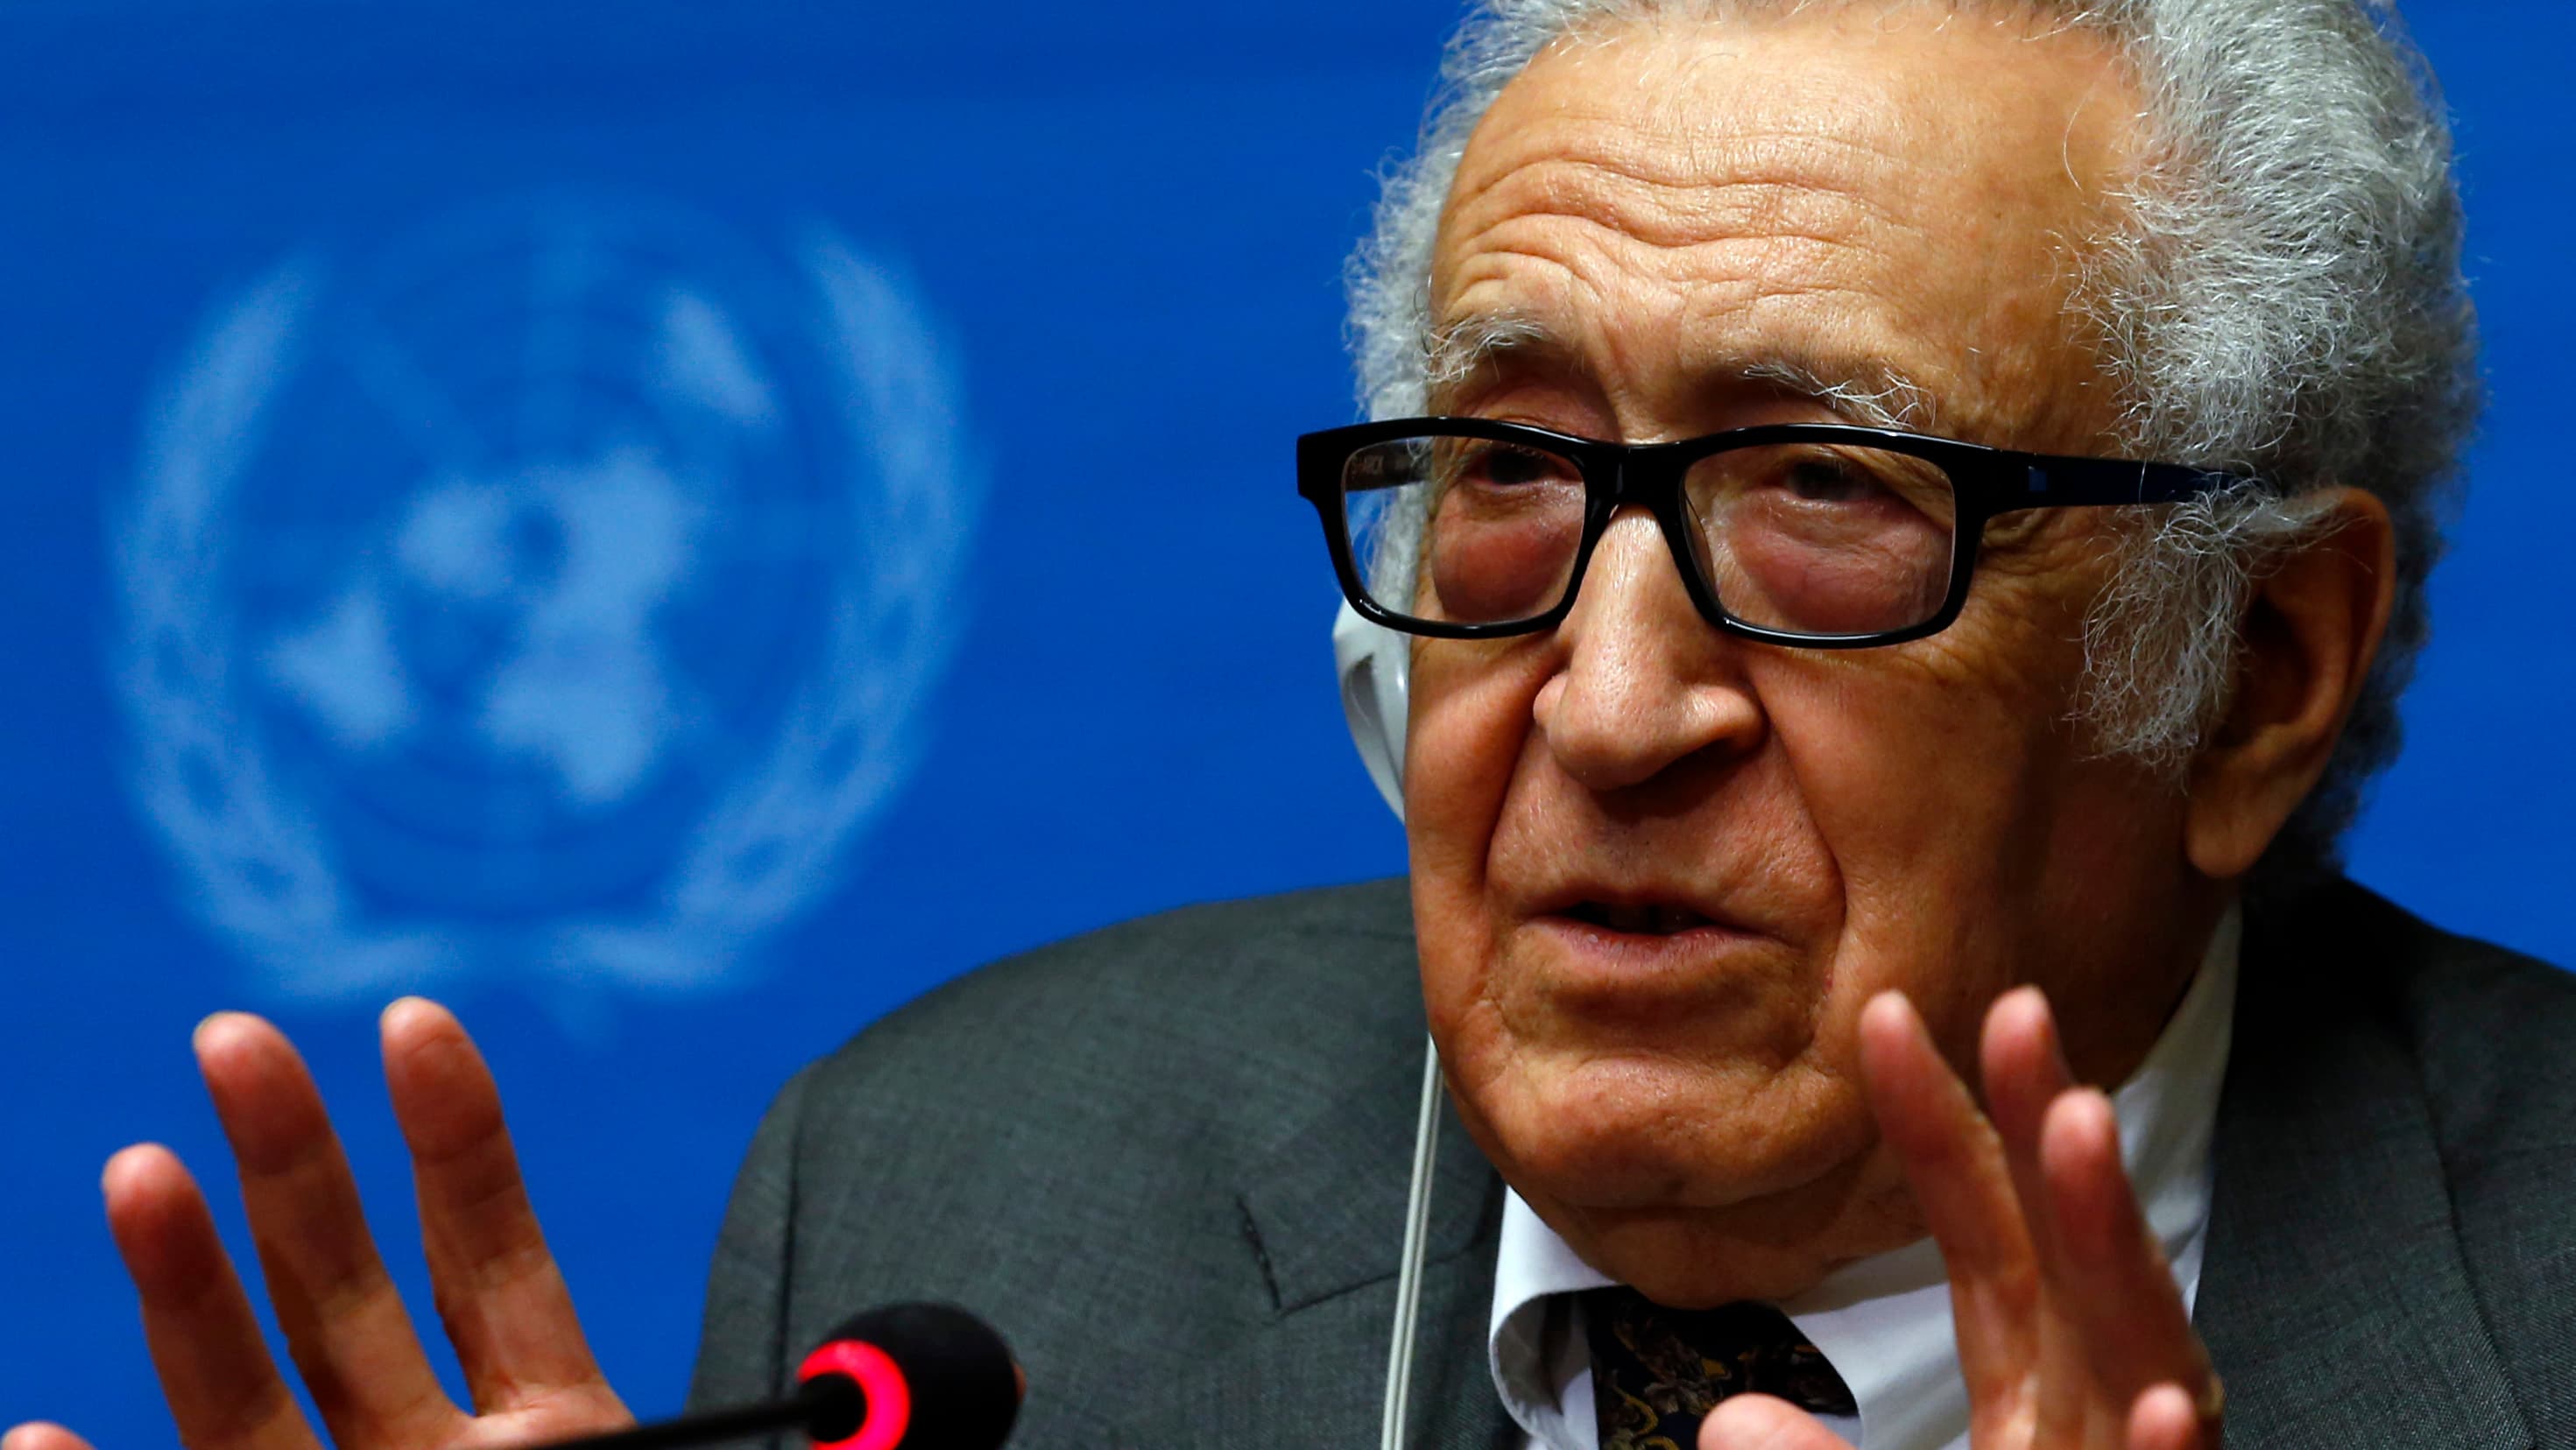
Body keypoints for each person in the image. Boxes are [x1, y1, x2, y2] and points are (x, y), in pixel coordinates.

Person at [11, 1, 2573, 1448]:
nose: (1610, 698)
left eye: (1829, 496)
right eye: (1507, 475)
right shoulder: (949, 1211)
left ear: (2251, 671)